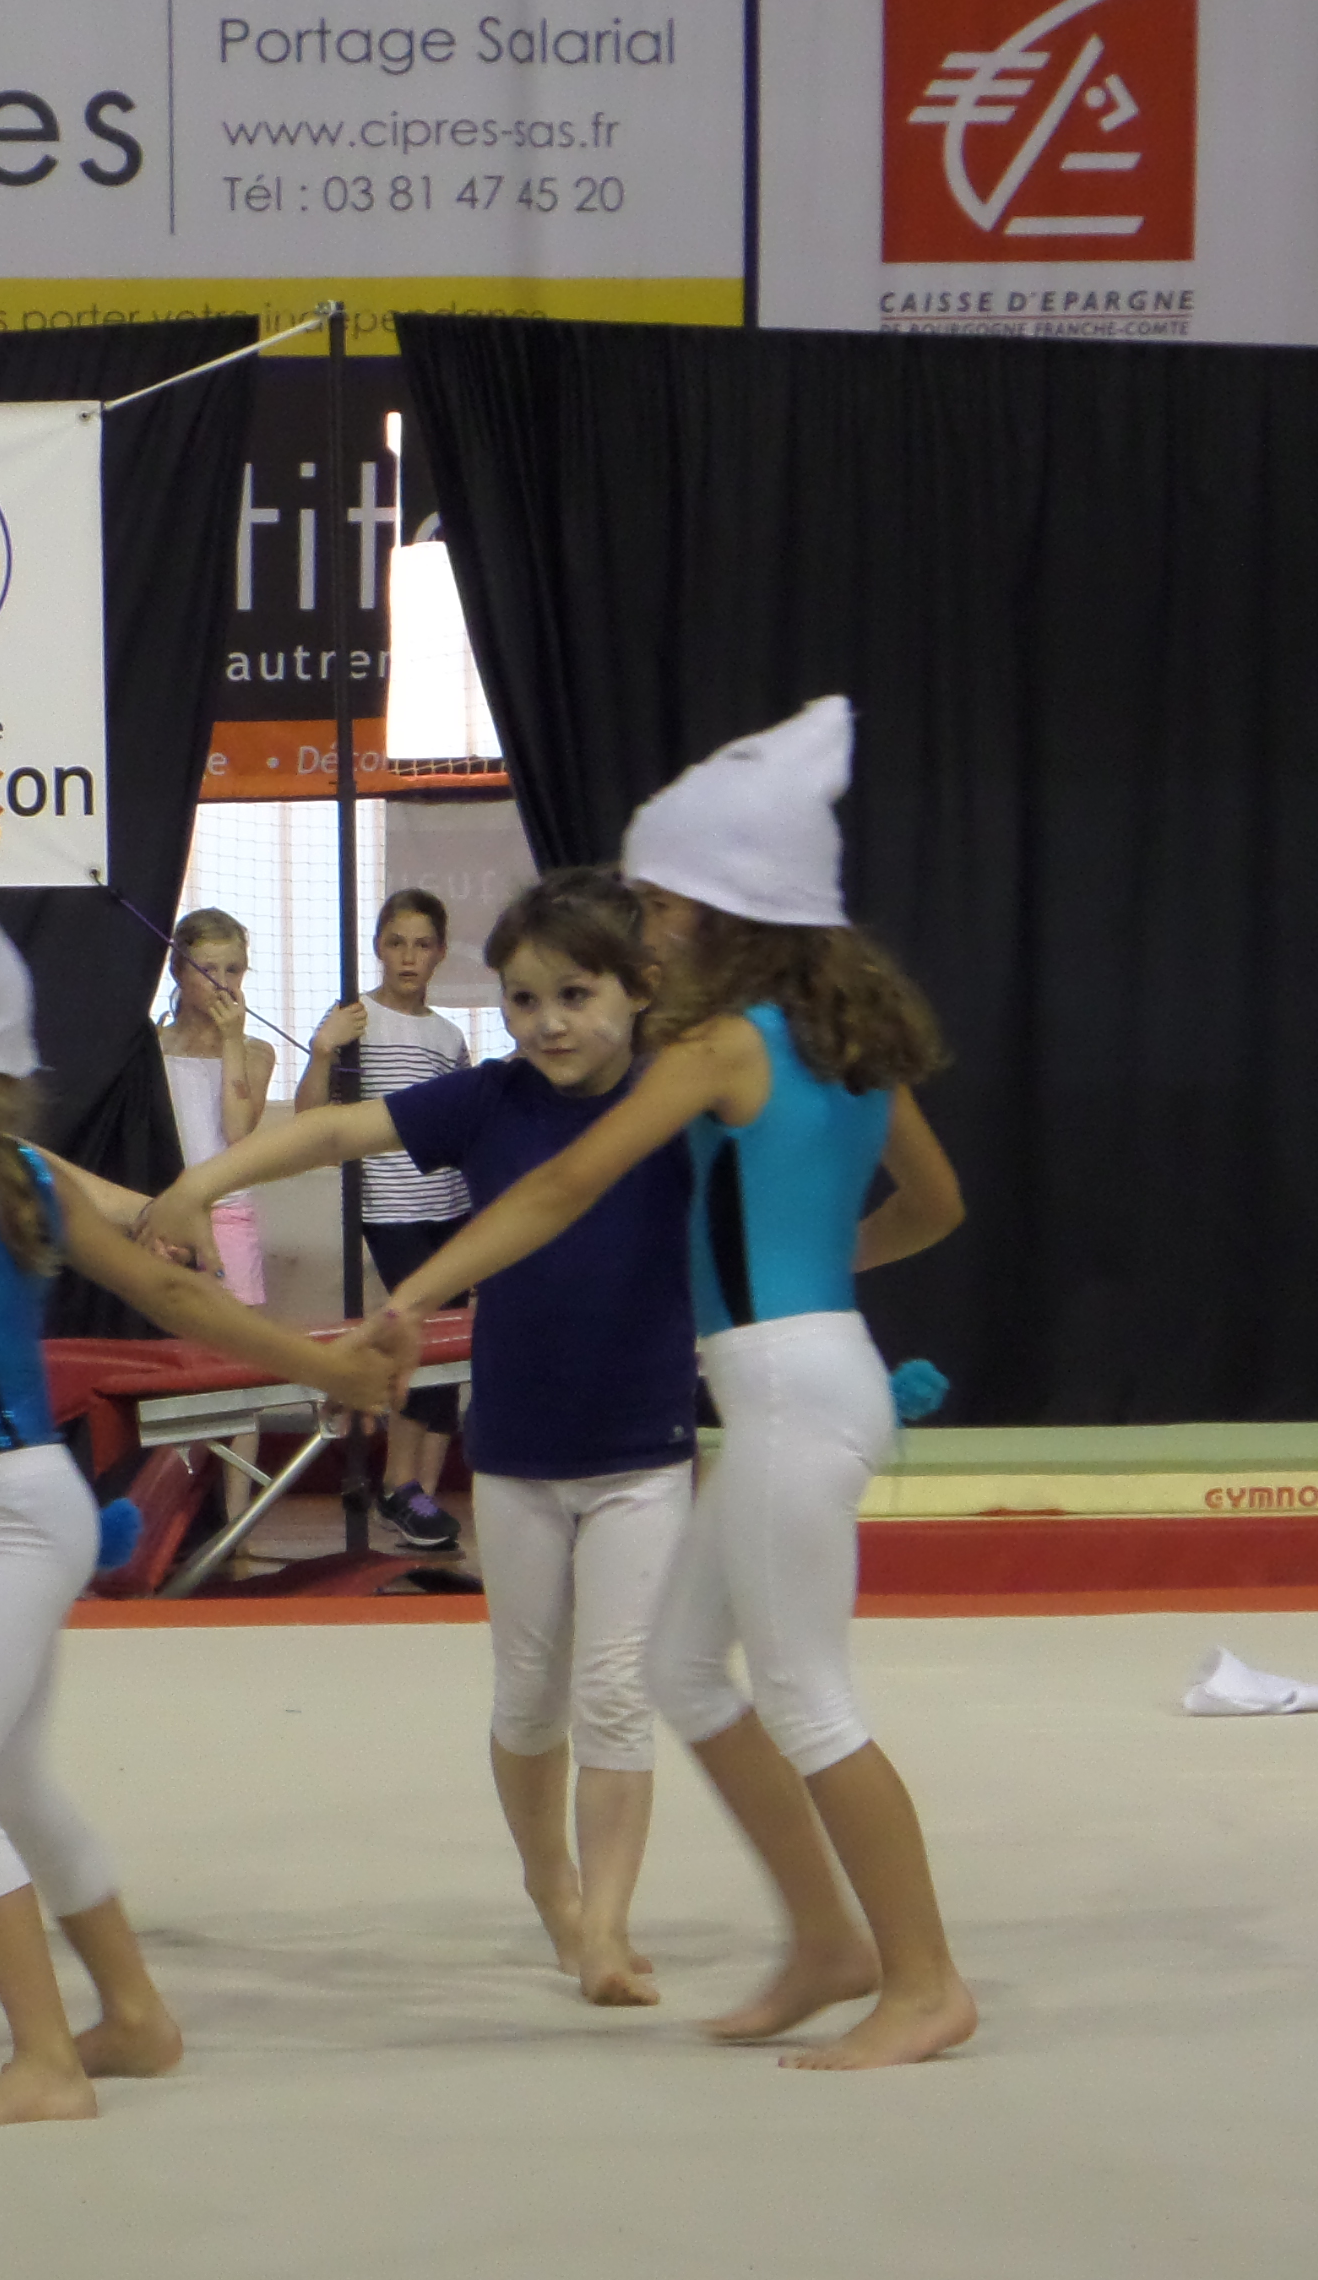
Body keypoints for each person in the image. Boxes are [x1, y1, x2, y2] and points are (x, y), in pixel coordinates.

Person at [368, 700, 976, 2070]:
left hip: (787, 1396)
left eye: (654, 901)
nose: (641, 924)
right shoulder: (847, 1041)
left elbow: (567, 1186)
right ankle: (826, 1943)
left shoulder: (720, 1045)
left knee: (809, 1699)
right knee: (686, 1674)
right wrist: (809, 1276)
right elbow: (936, 1207)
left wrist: (410, 1296)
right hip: (815, 1374)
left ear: (717, 909)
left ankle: (925, 1980)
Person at [0, 879, 397, 2123]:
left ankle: (47, 2059)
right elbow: (181, 1297)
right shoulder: (23, 1180)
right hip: (40, 1504)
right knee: (14, 1786)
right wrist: (323, 1366)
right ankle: (135, 2017)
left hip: (7, 1516)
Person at [146, 870, 698, 2008]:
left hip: (645, 1449)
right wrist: (206, 1178)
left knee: (612, 1690)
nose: (548, 1023)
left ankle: (607, 1923)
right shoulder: (491, 1099)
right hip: (520, 1453)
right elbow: (336, 1130)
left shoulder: (673, 1102)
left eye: (576, 995)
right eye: (525, 999)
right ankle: (554, 1892)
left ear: (640, 990)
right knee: (529, 1692)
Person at [293, 885, 476, 1551]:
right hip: (392, 1209)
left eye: (422, 945)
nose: (408, 957)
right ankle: (399, 1483)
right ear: (377, 947)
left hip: (449, 1208)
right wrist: (322, 1049)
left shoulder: (449, 1037)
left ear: (440, 954)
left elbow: (461, 1129)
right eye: (396, 943)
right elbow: (311, 1118)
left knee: (453, 1348)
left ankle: (419, 1491)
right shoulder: (356, 1019)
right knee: (416, 1339)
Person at [160, 906, 277, 1517]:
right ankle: (173, 1511)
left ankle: (237, 1519)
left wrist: (232, 1040)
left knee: (241, 1366)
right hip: (164, 1217)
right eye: (209, 969)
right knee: (174, 1364)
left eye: (235, 970)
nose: (223, 983)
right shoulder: (154, 1047)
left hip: (229, 1215)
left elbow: (237, 1132)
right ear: (179, 970)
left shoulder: (255, 1052)